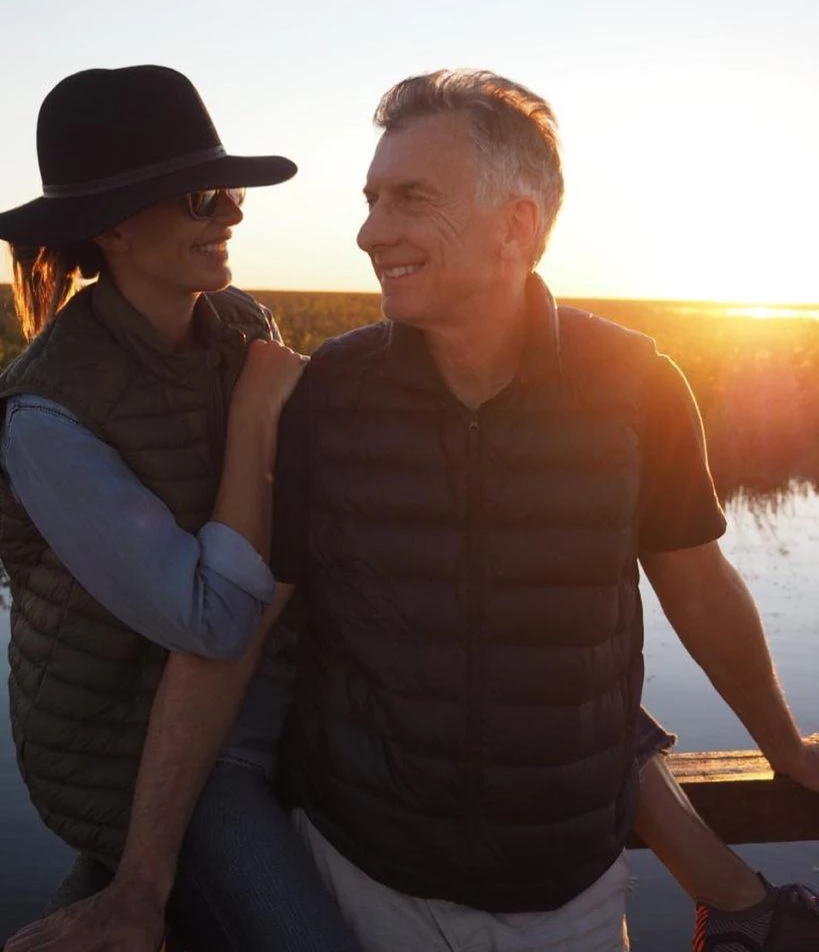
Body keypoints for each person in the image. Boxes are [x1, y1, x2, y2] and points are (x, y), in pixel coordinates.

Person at [6, 70, 819, 952]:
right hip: (291, 834)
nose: (366, 232)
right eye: (370, 200)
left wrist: (784, 748)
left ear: (517, 224)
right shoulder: (306, 395)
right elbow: (231, 627)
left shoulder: (635, 385)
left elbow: (686, 587)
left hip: (569, 894)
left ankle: (733, 898)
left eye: (410, 199)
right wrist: (142, 877)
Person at [0, 65, 362, 951]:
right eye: (203, 198)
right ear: (114, 227)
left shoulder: (239, 323)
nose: (231, 214)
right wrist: (254, 418)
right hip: (133, 756)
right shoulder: (47, 417)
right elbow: (212, 619)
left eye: (231, 193)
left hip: (266, 702)